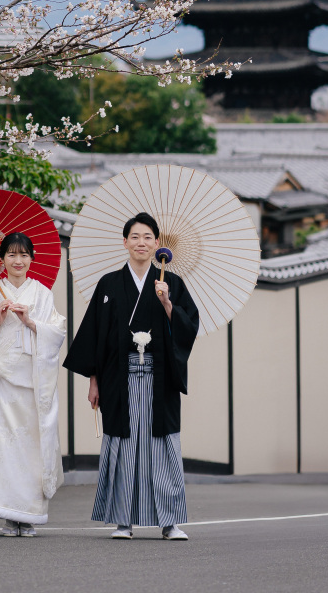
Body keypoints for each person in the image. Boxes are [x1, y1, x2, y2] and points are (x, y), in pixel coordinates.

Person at [63, 212, 199, 541]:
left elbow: (189, 326)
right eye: (135, 237)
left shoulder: (171, 284)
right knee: (123, 445)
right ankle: (123, 521)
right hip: (118, 378)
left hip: (159, 378)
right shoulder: (109, 284)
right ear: (125, 242)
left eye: (147, 237)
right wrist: (93, 380)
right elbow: (95, 335)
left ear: (157, 244)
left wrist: (167, 303)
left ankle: (170, 522)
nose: (141, 242)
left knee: (161, 446)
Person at [0, 231, 66, 537]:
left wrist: (31, 323)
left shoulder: (42, 294)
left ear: (32, 258)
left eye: (23, 255)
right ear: (1, 259)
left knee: (32, 448)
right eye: (11, 254)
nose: (18, 260)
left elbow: (58, 331)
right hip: (1, 385)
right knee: (4, 449)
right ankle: (9, 515)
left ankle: (29, 514)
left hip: (32, 384)